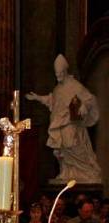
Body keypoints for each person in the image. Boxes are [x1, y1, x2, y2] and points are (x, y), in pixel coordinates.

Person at [26, 54, 102, 184]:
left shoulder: (75, 85)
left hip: (71, 123)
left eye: (60, 74)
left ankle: (87, 171)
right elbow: (53, 101)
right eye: (56, 74)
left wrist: (84, 105)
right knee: (61, 150)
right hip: (59, 122)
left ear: (65, 71)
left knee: (72, 146)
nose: (58, 77)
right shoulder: (58, 88)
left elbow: (89, 98)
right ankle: (67, 172)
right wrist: (38, 98)